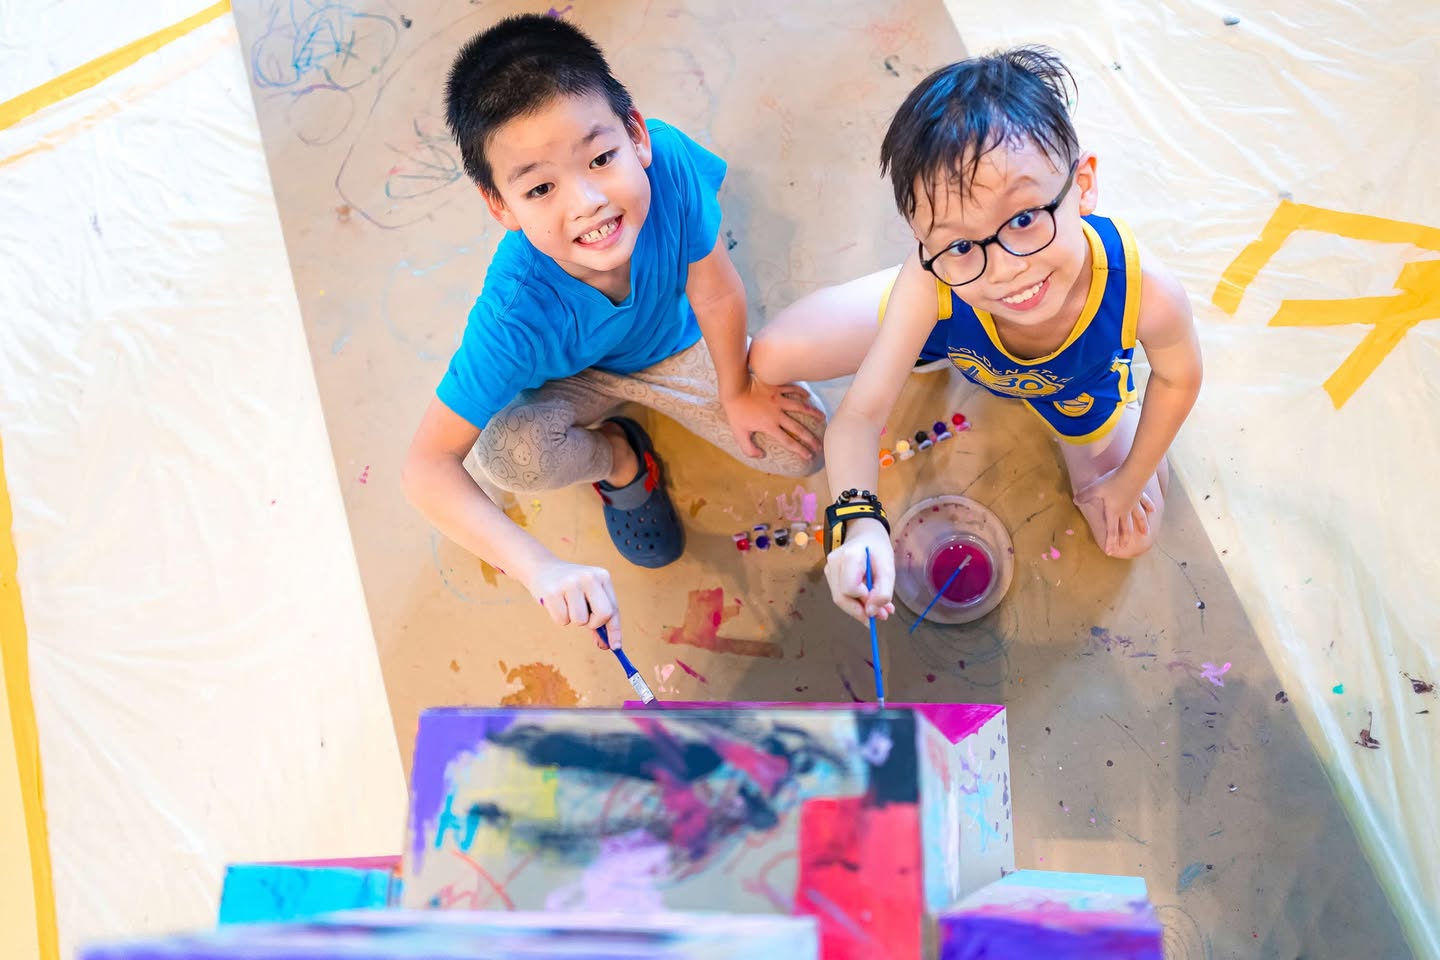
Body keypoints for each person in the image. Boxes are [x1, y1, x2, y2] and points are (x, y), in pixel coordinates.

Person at [402, 15, 825, 647]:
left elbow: (714, 287)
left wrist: (736, 391)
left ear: (637, 136)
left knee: (805, 446)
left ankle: (673, 416)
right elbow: (425, 466)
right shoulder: (514, 312)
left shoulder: (670, 163)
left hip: (676, 345)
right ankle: (621, 457)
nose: (588, 202)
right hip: (580, 380)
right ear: (500, 207)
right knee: (505, 454)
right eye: (540, 187)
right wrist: (539, 567)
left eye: (601, 157)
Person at [748, 46, 1202, 623]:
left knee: (1127, 535)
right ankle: (917, 315)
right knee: (770, 355)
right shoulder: (937, 280)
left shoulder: (1144, 291)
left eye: (1024, 218)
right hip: (947, 314)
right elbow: (858, 419)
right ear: (923, 243)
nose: (1007, 265)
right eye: (960, 241)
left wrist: (1131, 478)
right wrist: (858, 524)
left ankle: (933, 313)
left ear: (1083, 186)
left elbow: (1181, 378)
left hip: (1075, 392)